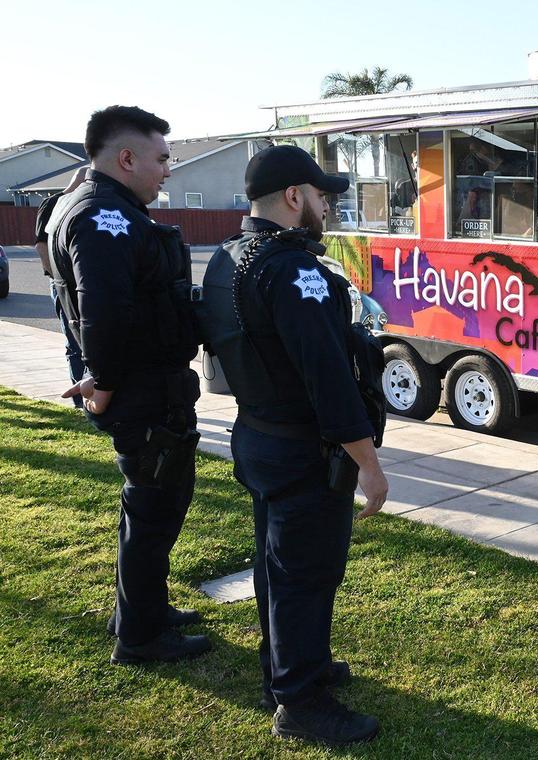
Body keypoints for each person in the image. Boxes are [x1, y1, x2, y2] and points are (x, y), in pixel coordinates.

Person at [198, 145, 389, 745]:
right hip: (303, 449)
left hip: (258, 434)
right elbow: (327, 375)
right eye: (320, 194)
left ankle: (286, 669)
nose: (326, 204)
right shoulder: (293, 268)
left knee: (280, 567)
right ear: (292, 197)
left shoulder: (227, 257)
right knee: (306, 573)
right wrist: (369, 465)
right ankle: (301, 702)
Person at [47, 106, 208, 664]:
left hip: (145, 385)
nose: (168, 169)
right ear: (126, 158)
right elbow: (104, 310)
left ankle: (140, 608)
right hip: (140, 391)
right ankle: (141, 636)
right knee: (155, 506)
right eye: (162, 158)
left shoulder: (93, 203)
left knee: (148, 504)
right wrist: (106, 382)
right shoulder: (104, 217)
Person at [35, 166, 89, 402]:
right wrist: (56, 277)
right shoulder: (53, 204)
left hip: (82, 283)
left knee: (91, 339)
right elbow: (41, 245)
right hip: (63, 285)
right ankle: (80, 401)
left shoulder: (85, 205)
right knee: (74, 341)